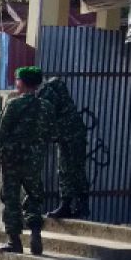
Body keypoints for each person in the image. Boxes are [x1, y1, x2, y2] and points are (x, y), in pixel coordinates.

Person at [0, 65, 53, 255]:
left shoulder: (14, 104)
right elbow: (51, 133)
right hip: (35, 160)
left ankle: (14, 241)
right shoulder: (47, 107)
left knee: (11, 198)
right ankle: (35, 235)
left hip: (12, 160)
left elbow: (0, 133)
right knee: (34, 197)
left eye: (17, 80)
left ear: (22, 83)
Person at [38, 75, 90, 219]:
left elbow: (48, 109)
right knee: (64, 169)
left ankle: (81, 205)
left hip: (72, 134)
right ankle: (66, 205)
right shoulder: (48, 89)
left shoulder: (50, 89)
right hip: (64, 135)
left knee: (75, 168)